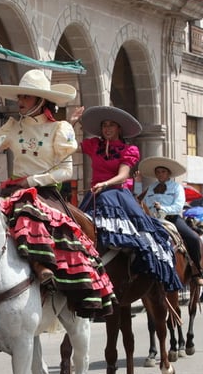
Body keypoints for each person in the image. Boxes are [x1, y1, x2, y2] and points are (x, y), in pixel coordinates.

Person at [0, 69, 115, 318]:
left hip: (46, 194)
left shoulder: (60, 128)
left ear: (41, 100)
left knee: (36, 218)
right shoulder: (12, 127)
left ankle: (50, 272)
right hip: (15, 192)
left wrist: (30, 180)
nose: (20, 102)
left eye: (27, 97)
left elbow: (65, 170)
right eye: (20, 96)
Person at [70, 105, 180, 291]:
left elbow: (123, 175)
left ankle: (137, 270)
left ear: (119, 128)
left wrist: (105, 184)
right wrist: (71, 123)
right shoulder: (94, 145)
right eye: (104, 125)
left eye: (111, 125)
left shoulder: (128, 149)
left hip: (116, 194)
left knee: (141, 234)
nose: (107, 128)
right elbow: (67, 146)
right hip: (95, 194)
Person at [139, 156, 203, 285]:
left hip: (173, 219)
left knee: (193, 238)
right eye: (158, 172)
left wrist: (162, 208)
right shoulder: (151, 187)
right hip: (153, 220)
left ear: (168, 173)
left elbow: (178, 206)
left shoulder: (177, 187)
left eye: (163, 172)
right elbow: (142, 201)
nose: (160, 174)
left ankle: (196, 272)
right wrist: (138, 184)